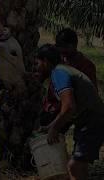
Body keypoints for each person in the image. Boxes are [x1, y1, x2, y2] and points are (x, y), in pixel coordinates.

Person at [35, 44, 104, 180]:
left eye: (37, 63)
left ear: (46, 62)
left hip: (92, 121)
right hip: (88, 120)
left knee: (74, 166)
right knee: (78, 167)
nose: (36, 67)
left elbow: (69, 107)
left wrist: (54, 129)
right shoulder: (63, 70)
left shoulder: (58, 73)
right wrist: (50, 126)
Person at [40, 28, 98, 133]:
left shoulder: (86, 66)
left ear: (72, 46)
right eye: (58, 47)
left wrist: (54, 127)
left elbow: (82, 100)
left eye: (63, 47)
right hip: (53, 108)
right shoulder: (57, 59)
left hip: (71, 110)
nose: (61, 51)